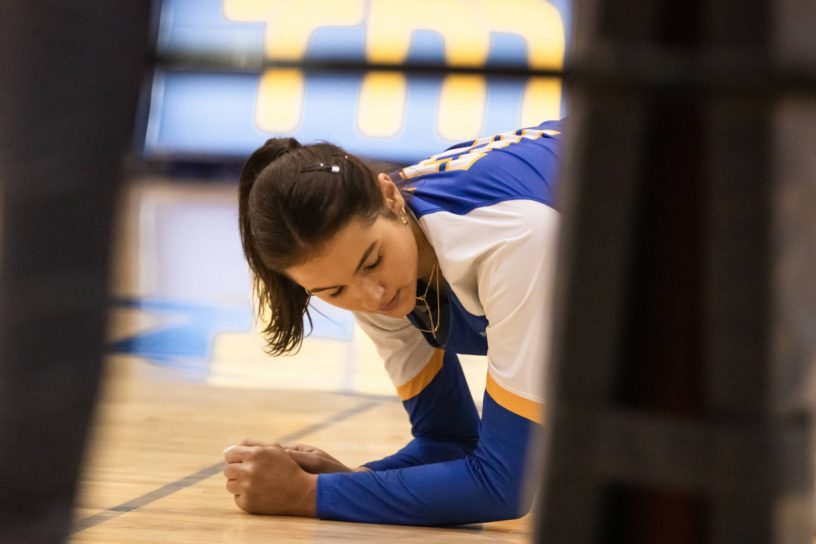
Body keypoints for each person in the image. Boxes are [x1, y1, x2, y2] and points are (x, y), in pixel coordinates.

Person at [223, 119, 563, 526]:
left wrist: (308, 494)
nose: (372, 297)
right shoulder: (367, 258)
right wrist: (356, 481)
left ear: (390, 197)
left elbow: (505, 487)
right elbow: (449, 442)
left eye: (373, 262)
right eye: (333, 292)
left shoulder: (512, 240)